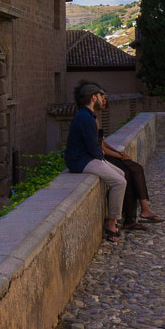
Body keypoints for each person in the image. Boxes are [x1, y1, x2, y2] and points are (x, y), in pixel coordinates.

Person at [64, 83, 126, 241]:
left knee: (121, 174)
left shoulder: (86, 115)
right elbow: (93, 147)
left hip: (87, 158)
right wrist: (103, 159)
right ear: (93, 97)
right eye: (100, 96)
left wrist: (102, 158)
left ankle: (112, 215)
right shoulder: (85, 118)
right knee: (119, 182)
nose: (102, 99)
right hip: (81, 161)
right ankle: (111, 222)